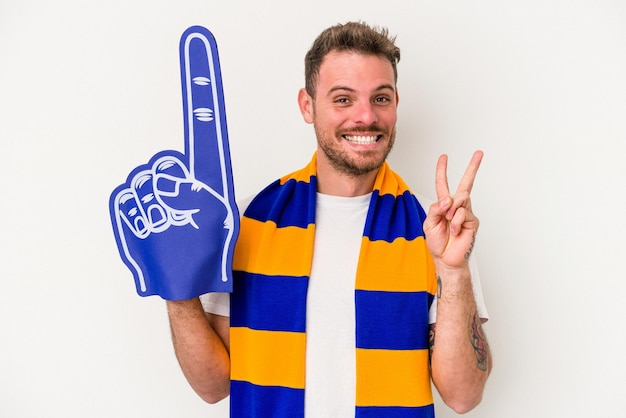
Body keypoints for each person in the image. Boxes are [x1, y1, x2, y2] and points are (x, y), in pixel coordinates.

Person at [166, 21, 491, 418]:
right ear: (307, 105)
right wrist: (176, 287)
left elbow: (463, 396)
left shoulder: (436, 230)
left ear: (396, 103)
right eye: (343, 99)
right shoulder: (246, 222)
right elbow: (214, 387)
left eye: (381, 98)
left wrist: (453, 271)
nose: (365, 117)